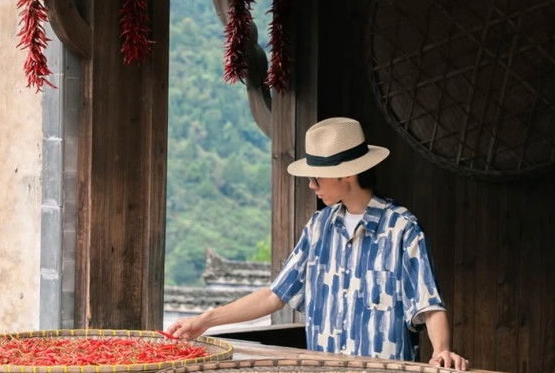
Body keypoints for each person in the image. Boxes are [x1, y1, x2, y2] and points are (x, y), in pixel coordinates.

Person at [166, 117, 469, 370]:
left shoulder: (402, 228)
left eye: (316, 177)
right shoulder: (318, 227)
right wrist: (205, 321)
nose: (311, 185)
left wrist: (441, 351)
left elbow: (429, 304)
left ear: (347, 173)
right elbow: (274, 295)